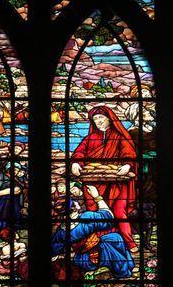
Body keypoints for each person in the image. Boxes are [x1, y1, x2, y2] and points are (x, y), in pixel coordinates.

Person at [70, 105, 138, 252]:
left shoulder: (120, 136)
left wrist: (127, 165)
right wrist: (76, 162)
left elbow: (129, 154)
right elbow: (79, 153)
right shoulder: (89, 138)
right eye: (95, 119)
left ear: (109, 118)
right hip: (93, 182)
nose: (99, 121)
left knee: (119, 210)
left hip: (118, 181)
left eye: (101, 117)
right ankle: (98, 242)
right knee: (94, 212)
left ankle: (129, 242)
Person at [51, 185, 135, 279]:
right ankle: (123, 272)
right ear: (74, 208)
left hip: (82, 258)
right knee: (114, 241)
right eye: (74, 202)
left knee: (114, 237)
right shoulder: (86, 218)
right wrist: (97, 197)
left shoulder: (62, 230)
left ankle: (125, 266)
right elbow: (108, 218)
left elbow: (55, 248)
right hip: (95, 254)